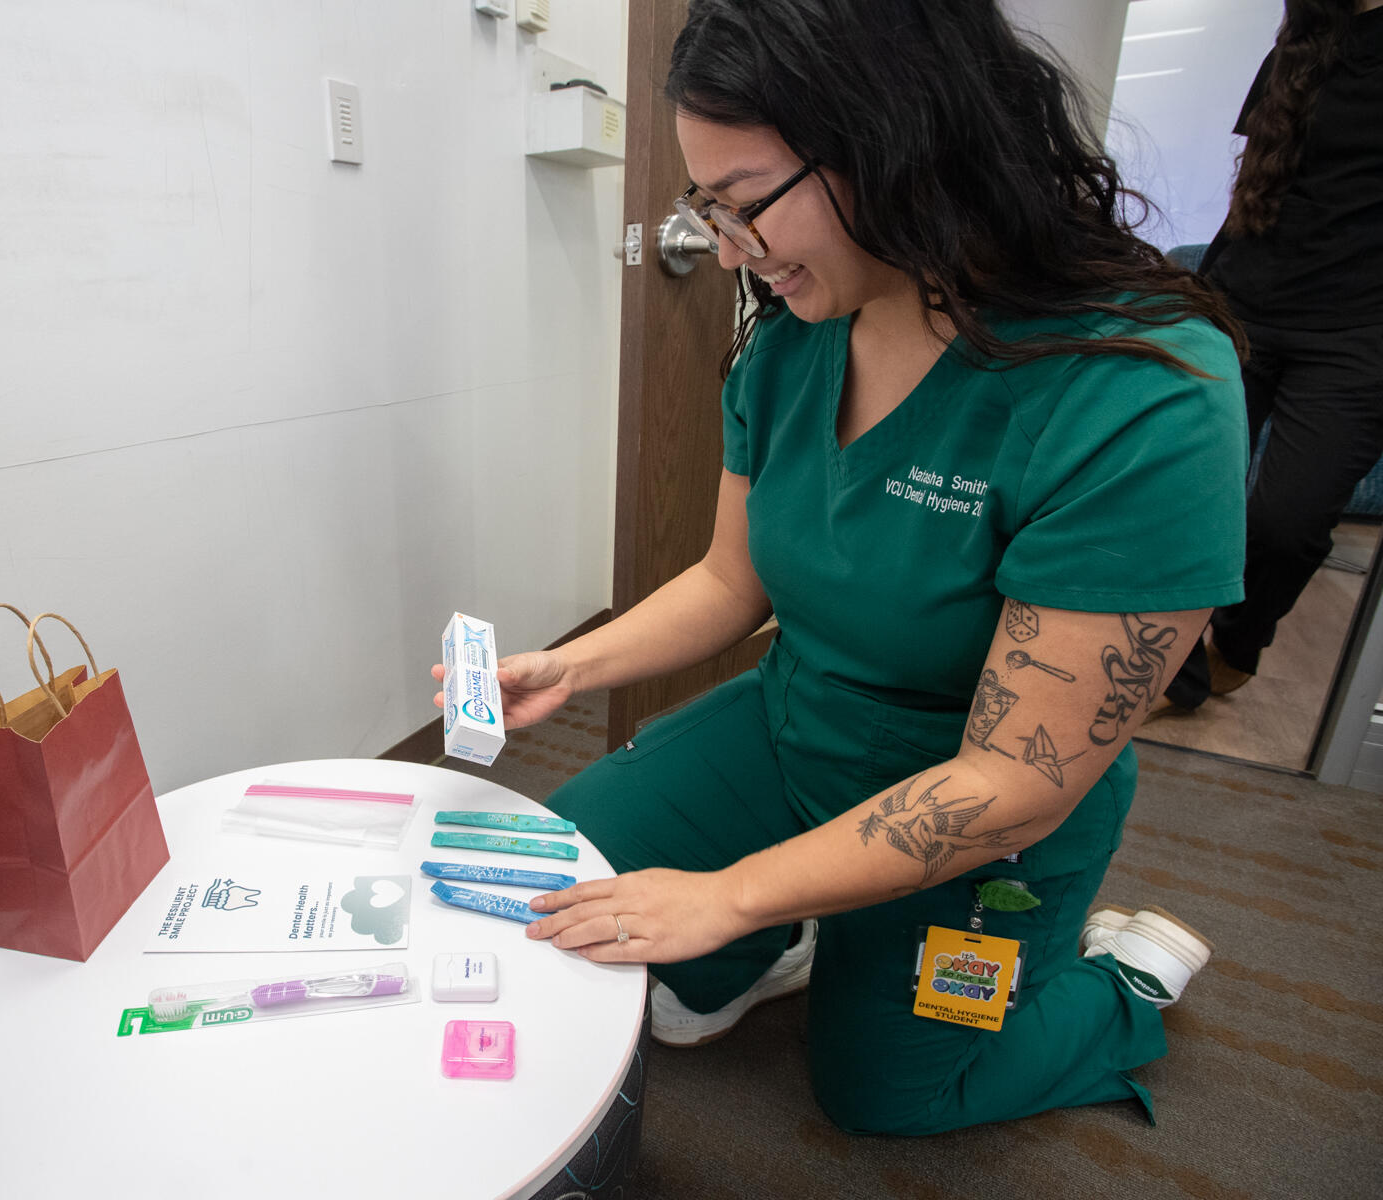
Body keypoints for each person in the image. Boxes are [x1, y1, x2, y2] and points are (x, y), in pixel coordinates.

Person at [431, 0, 1248, 1135]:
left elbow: (1017, 776)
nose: (725, 248)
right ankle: (790, 934)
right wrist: (569, 667)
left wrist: (729, 894)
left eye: (746, 203)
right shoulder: (794, 333)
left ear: (899, 136)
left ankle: (1111, 986)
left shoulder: (1140, 389)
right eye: (705, 209)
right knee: (546, 889)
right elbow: (732, 582)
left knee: (887, 1095)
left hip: (985, 799)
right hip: (798, 723)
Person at [1161, 0, 1383, 714]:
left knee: (1285, 525)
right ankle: (1173, 667)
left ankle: (1239, 640)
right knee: (1180, 497)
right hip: (1244, 304)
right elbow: (1255, 182)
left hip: (1355, 335)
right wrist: (1197, 299)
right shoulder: (1304, 40)